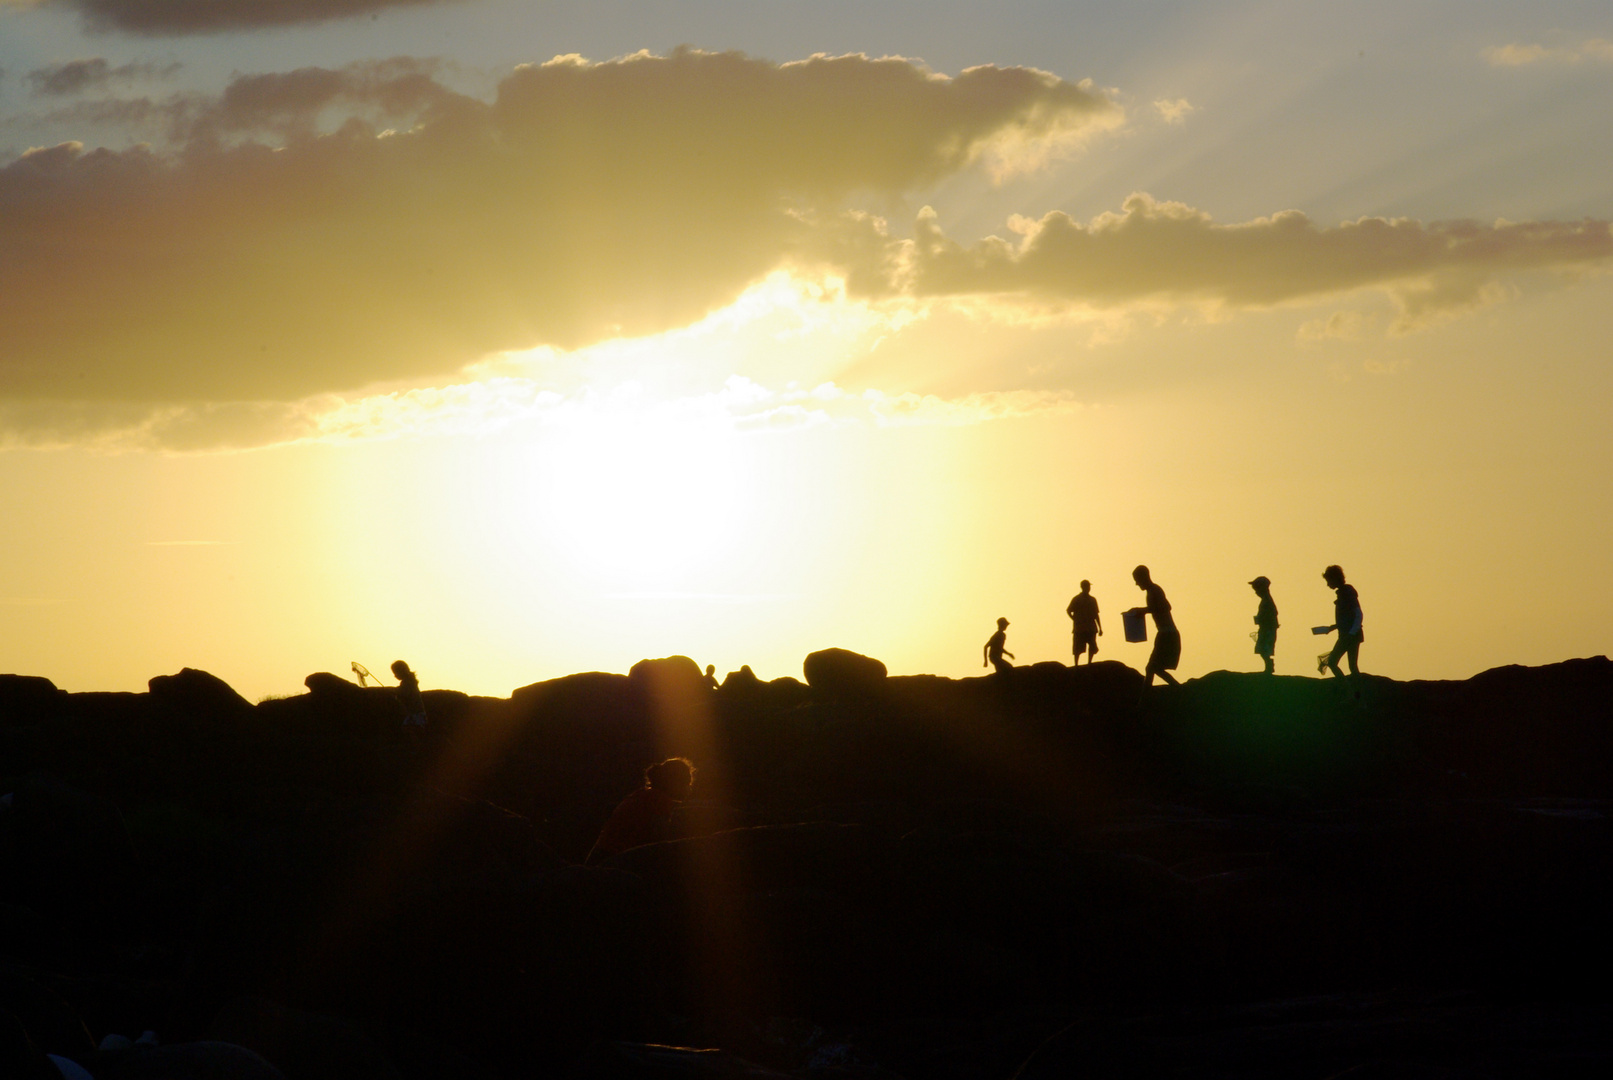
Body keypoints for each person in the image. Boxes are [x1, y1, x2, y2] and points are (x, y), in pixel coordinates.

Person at [587, 757, 696, 863]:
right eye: (687, 784)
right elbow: (660, 841)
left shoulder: (644, 795)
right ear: (675, 782)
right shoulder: (659, 801)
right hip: (613, 860)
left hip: (602, 856)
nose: (689, 789)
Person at [1126, 565, 1180, 686]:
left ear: (1143, 577)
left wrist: (1144, 610)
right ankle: (1176, 687)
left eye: (1137, 580)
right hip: (1163, 633)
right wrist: (1142, 611)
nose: (1136, 584)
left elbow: (1166, 607)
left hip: (1168, 634)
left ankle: (1146, 699)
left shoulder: (1155, 590)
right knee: (1154, 668)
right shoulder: (1151, 591)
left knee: (1151, 668)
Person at [1320, 565, 1363, 677]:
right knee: (1352, 666)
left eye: (1329, 581)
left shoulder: (1347, 593)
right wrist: (1334, 627)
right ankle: (1353, 688)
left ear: (1335, 578)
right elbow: (1347, 618)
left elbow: (1358, 614)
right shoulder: (1344, 593)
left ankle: (1345, 687)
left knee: (1332, 662)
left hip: (1349, 635)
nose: (1328, 584)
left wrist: (1351, 633)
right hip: (1350, 634)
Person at [1066, 580, 1103, 665]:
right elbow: (1068, 610)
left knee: (1092, 646)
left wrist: (1100, 628)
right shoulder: (1077, 599)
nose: (1089, 588)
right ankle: (1076, 664)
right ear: (1083, 587)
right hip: (1080, 628)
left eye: (1089, 586)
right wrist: (1074, 619)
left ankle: (1089, 662)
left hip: (1090, 627)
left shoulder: (1092, 600)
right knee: (1077, 647)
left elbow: (1096, 615)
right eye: (1087, 586)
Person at [1250, 576, 1279, 675]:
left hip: (1268, 629)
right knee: (1262, 649)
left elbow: (1273, 613)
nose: (1255, 592)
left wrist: (1262, 619)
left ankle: (1269, 667)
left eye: (1256, 589)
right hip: (1266, 628)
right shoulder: (1266, 600)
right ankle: (1269, 666)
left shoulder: (1267, 600)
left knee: (1264, 648)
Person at [391, 660, 427, 729]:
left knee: (411, 730)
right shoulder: (411, 680)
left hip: (415, 713)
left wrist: (395, 692)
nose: (395, 676)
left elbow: (404, 692)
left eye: (395, 673)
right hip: (417, 713)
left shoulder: (407, 682)